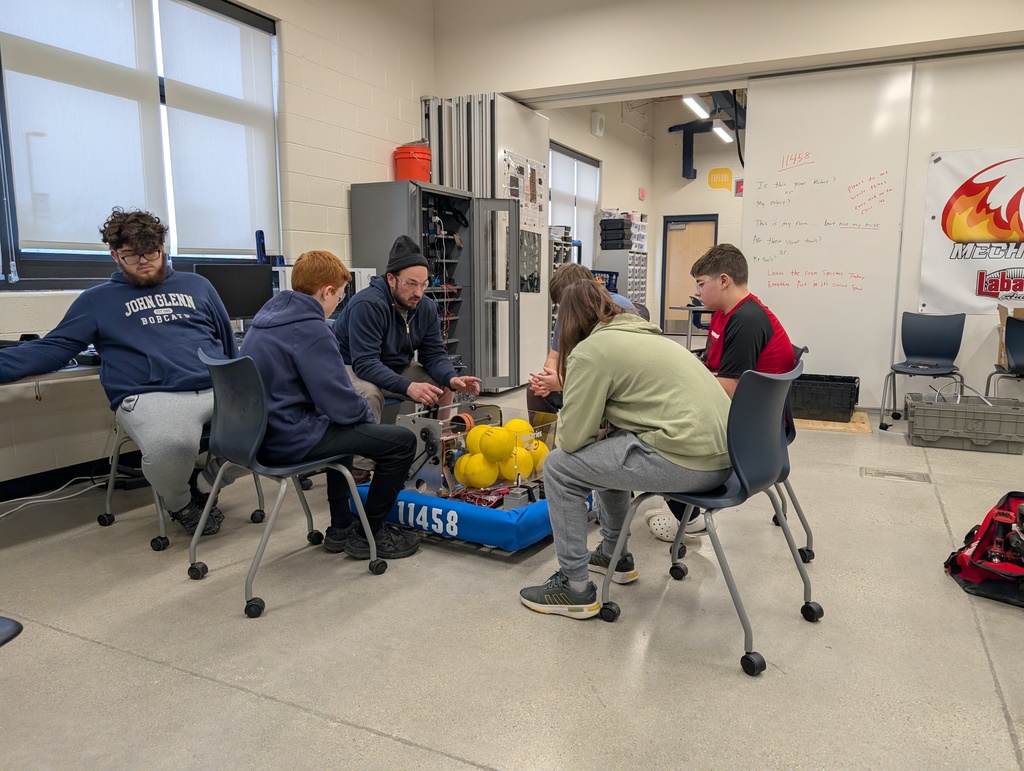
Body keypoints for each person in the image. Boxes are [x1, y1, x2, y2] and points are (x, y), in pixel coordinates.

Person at [0, 207, 237, 536]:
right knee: (172, 444)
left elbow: (227, 342)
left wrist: (237, 384)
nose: (144, 261)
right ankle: (181, 502)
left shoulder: (197, 285)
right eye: (132, 255)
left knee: (274, 422)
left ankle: (206, 483)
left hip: (214, 387)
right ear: (114, 255)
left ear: (163, 247)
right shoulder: (97, 300)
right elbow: (52, 348)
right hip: (154, 396)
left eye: (152, 252)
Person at [519, 280, 732, 619]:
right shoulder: (646, 335)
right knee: (608, 447)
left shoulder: (592, 352)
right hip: (723, 459)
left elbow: (572, 441)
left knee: (560, 467)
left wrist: (587, 422)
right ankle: (615, 554)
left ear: (568, 323)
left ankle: (574, 588)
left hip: (688, 462)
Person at [242, 250, 420, 559]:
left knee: (342, 427)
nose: (338, 302)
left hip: (258, 437)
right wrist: (364, 419)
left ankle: (340, 527)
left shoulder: (263, 320)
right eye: (338, 295)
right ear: (326, 291)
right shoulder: (312, 329)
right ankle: (370, 532)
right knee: (402, 442)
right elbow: (341, 401)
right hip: (291, 439)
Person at [646, 242, 796, 541]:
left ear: (724, 280)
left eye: (701, 284)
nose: (698, 292)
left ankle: (687, 517)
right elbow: (713, 365)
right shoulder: (724, 313)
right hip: (747, 417)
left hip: (749, 429)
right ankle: (680, 505)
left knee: (652, 423)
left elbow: (727, 388)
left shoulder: (747, 319)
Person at [335, 235, 480, 472]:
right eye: (411, 284)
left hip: (392, 366)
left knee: (442, 387)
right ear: (391, 279)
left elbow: (433, 354)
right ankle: (359, 469)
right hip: (350, 367)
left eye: (423, 284)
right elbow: (366, 364)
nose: (419, 292)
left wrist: (452, 378)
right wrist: (408, 387)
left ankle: (434, 452)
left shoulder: (425, 307)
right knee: (369, 395)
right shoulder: (368, 305)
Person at [527, 263, 636, 412]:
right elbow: (554, 357)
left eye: (567, 304)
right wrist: (547, 380)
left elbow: (616, 372)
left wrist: (565, 383)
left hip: (614, 384)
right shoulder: (567, 314)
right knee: (536, 391)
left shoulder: (617, 307)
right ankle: (541, 435)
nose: (565, 310)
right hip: (581, 377)